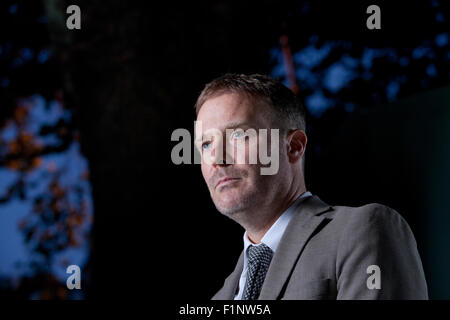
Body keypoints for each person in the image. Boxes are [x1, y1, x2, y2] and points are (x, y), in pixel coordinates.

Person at [194, 73, 428, 300]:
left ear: (294, 147)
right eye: (206, 144)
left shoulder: (363, 231)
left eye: (237, 135)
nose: (217, 159)